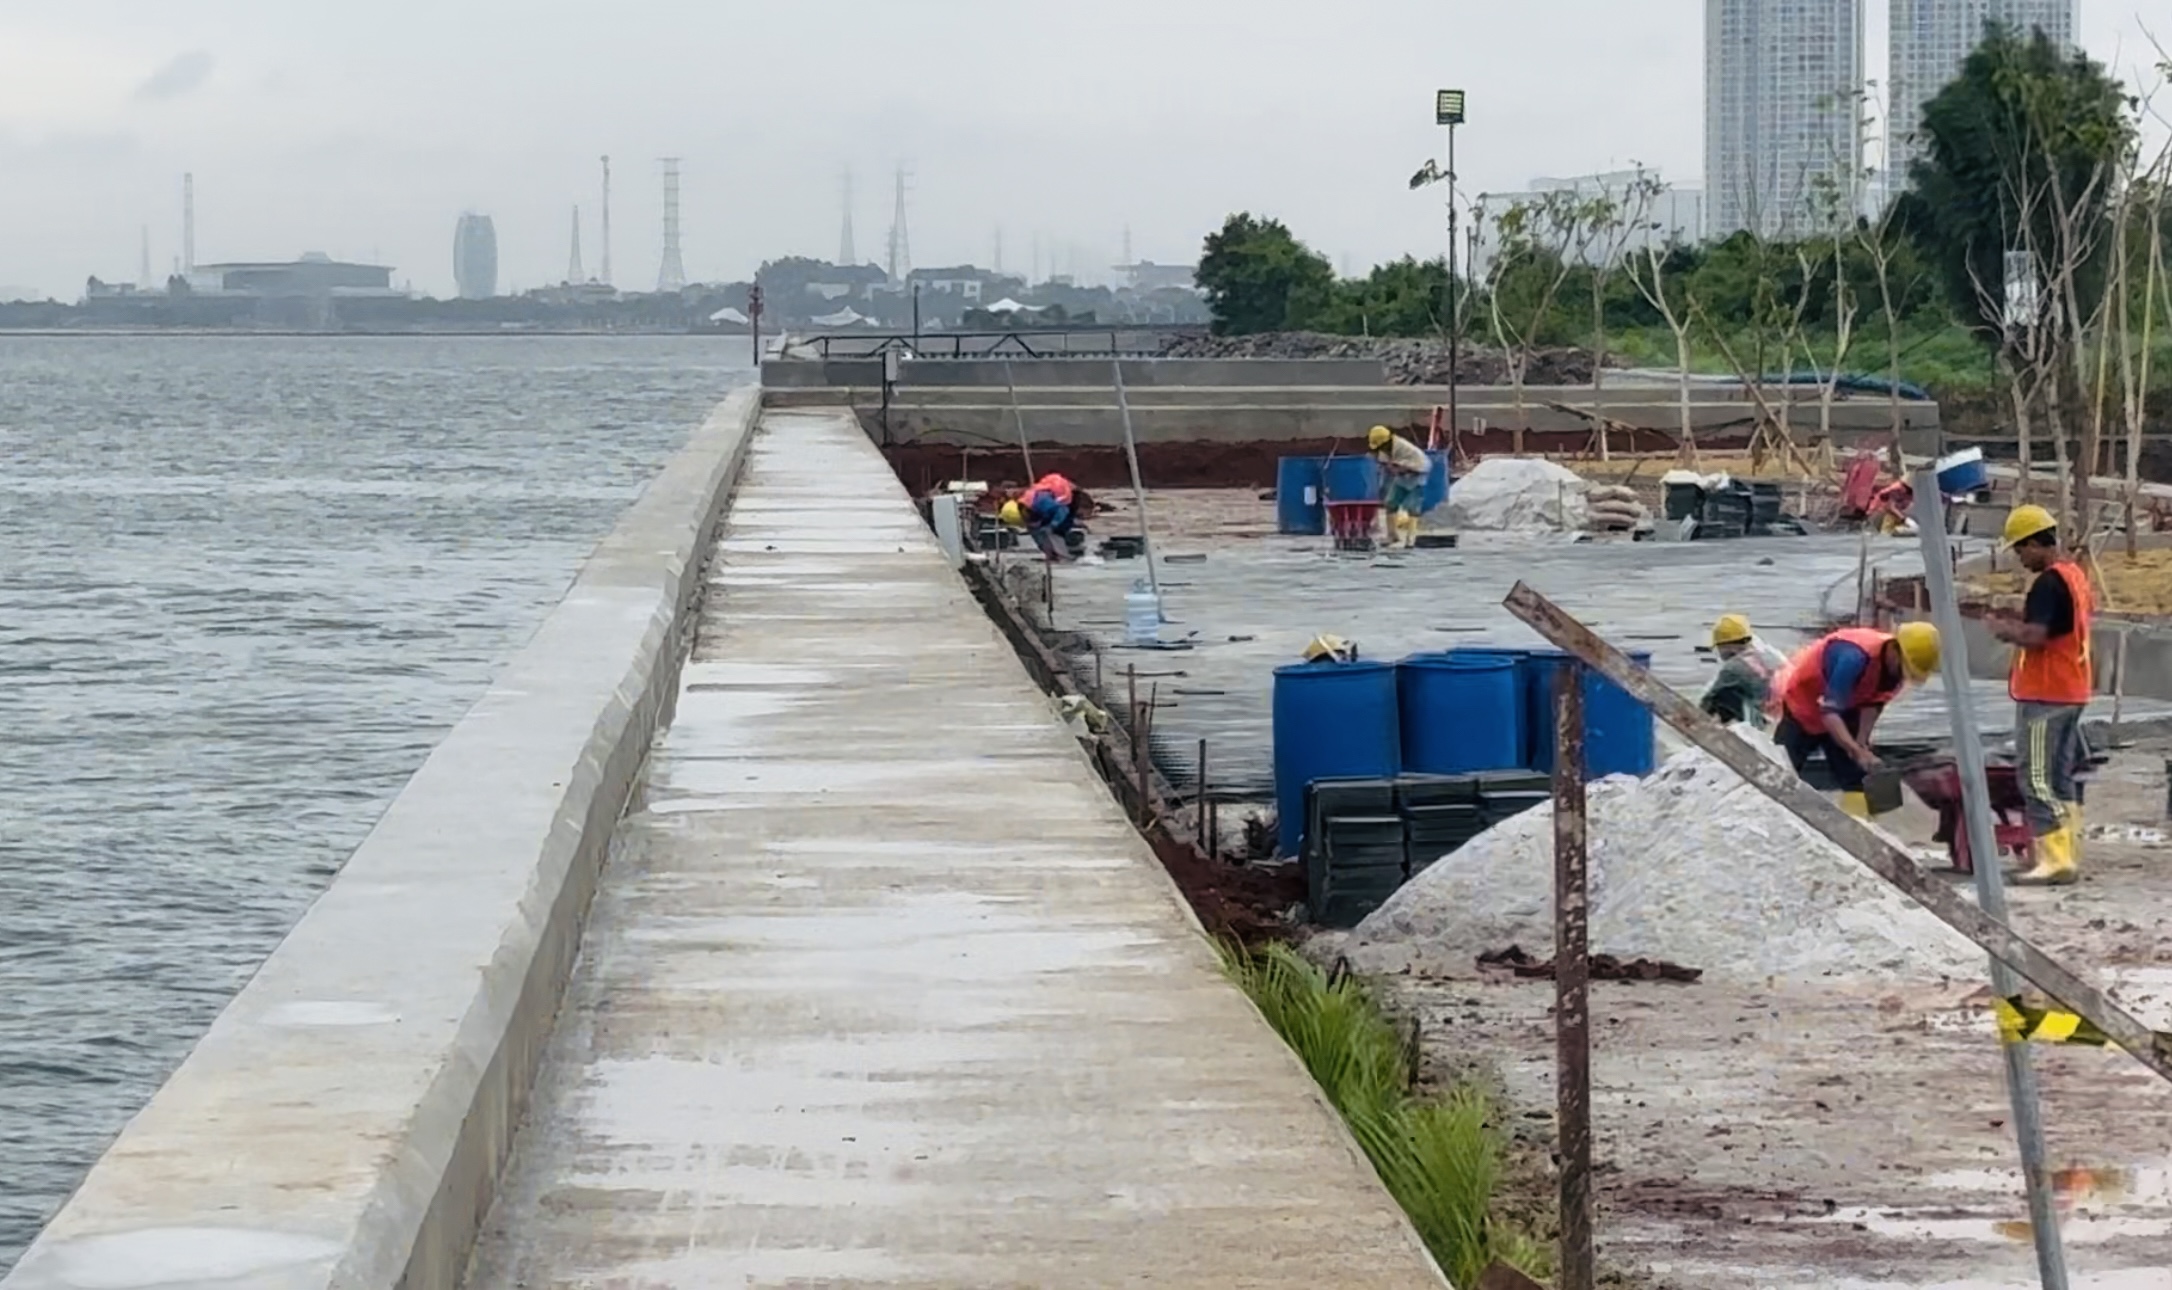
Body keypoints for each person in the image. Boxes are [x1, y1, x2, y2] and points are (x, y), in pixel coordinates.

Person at [1988, 504, 2094, 886]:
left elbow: (2037, 636)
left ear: (2037, 542)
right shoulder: (2074, 576)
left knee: (2034, 777)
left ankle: (2056, 858)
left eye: (2021, 549)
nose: (2020, 557)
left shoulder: (2048, 582)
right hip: (2072, 689)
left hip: (2046, 694)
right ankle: (2068, 851)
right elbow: (2058, 625)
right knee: (2060, 776)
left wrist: (2003, 630)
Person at [1773, 621, 1941, 818]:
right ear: (1895, 649)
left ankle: (1867, 828)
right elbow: (1829, 714)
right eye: (1905, 668)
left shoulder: (1894, 672)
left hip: (1849, 706)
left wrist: (1862, 744)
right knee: (1779, 767)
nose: (1904, 675)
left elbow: (1874, 703)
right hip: (1805, 706)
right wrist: (1853, 749)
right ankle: (1772, 815)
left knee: (1860, 775)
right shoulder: (1854, 658)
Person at [1699, 613, 1779, 728]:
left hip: (1760, 720)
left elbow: (1709, 697)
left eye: (1719, 647)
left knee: (1722, 696)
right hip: (1774, 714)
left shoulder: (1733, 667)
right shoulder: (1763, 656)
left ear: (1727, 645)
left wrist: (1697, 716)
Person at [1367, 424, 1434, 549]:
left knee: (1413, 508)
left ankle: (1411, 539)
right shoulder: (1388, 450)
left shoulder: (1404, 449)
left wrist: (1397, 469)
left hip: (1416, 475)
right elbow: (1388, 466)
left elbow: (1412, 467)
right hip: (1402, 478)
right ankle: (1392, 535)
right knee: (1391, 503)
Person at [999, 473, 1093, 561]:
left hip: (1066, 492)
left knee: (1060, 526)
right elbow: (1034, 528)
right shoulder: (1025, 503)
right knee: (1039, 529)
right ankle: (1053, 552)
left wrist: (1052, 525)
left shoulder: (1043, 503)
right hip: (1050, 489)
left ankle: (1067, 546)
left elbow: (1063, 510)